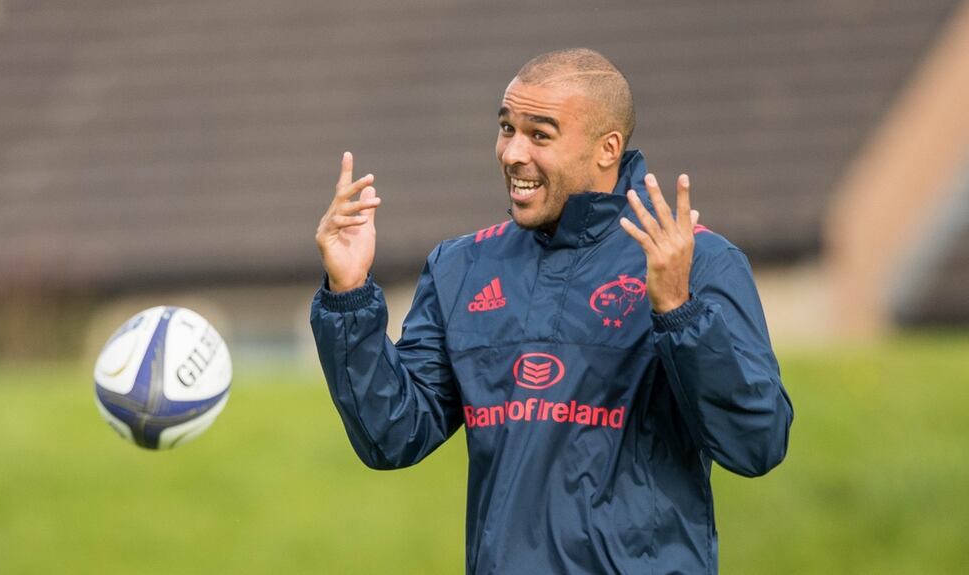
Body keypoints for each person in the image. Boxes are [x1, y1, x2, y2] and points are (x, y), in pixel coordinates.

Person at [311, 48, 793, 575]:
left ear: (607, 148)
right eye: (506, 127)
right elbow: (392, 434)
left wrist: (678, 313)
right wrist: (349, 292)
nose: (512, 153)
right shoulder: (462, 266)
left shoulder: (698, 262)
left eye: (540, 135)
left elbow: (756, 445)